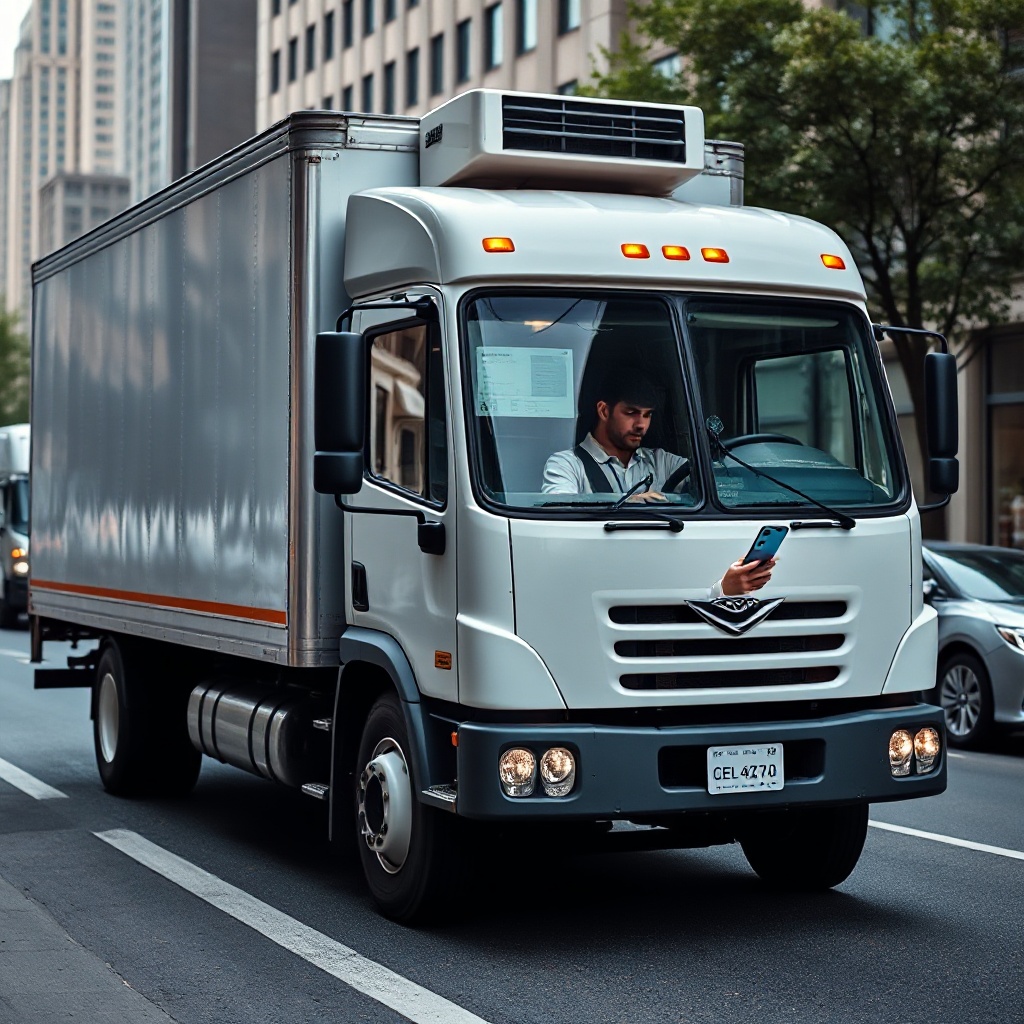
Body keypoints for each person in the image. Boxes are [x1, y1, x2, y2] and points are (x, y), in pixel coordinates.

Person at [542, 368, 775, 597]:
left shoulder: (661, 461)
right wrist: (628, 502)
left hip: (664, 574)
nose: (641, 425)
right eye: (631, 413)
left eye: (647, 414)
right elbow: (558, 515)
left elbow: (712, 480)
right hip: (594, 576)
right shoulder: (566, 464)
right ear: (604, 411)